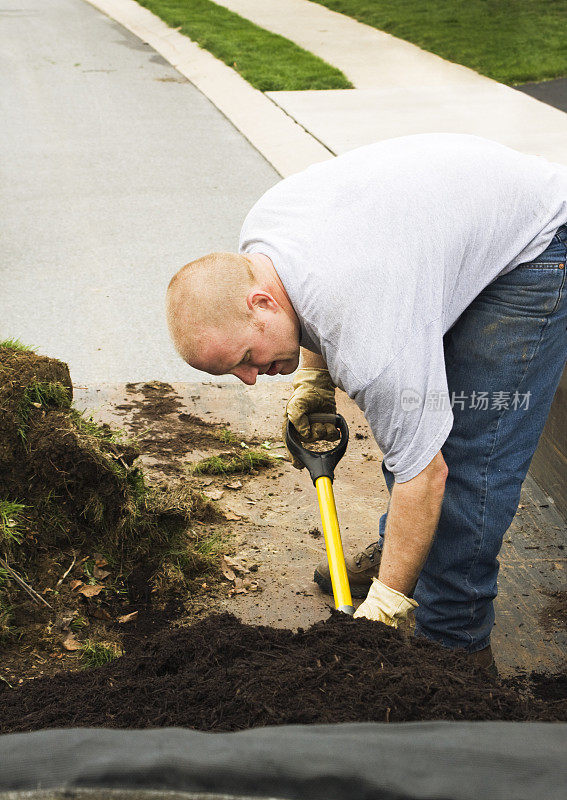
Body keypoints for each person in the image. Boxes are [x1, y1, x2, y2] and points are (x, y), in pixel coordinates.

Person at [166, 134, 567, 671]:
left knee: (470, 462)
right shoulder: (263, 249)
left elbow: (426, 474)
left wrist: (380, 614)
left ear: (259, 303)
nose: (248, 380)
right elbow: (317, 305)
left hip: (534, 244)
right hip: (448, 224)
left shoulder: (371, 338)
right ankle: (404, 559)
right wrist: (313, 380)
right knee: (411, 432)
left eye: (245, 357)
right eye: (232, 370)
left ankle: (453, 647)